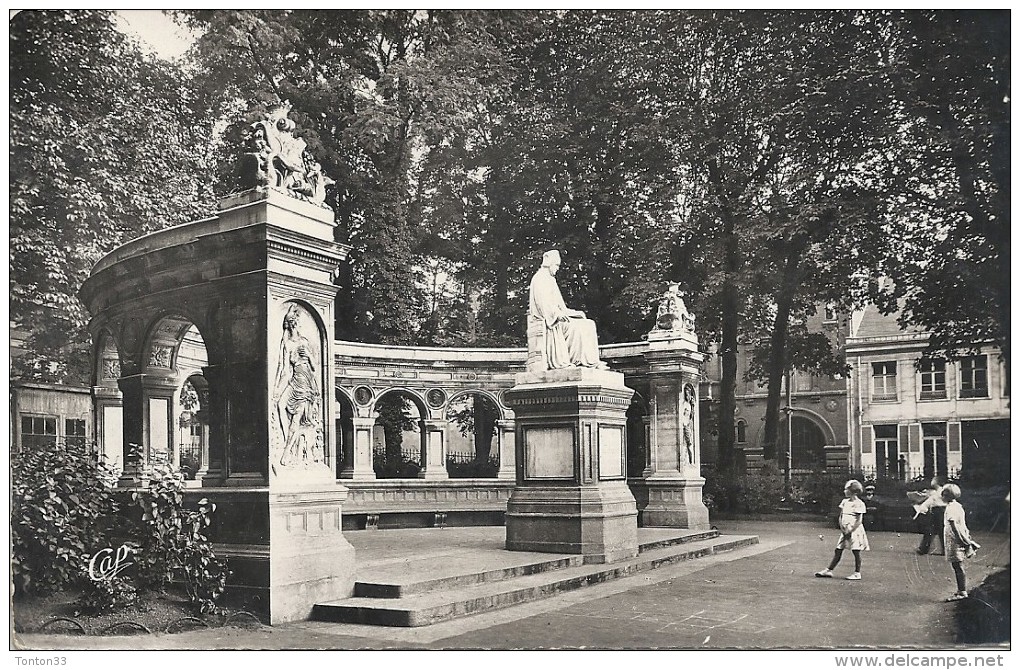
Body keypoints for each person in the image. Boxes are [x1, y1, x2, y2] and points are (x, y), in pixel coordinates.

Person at [528, 250, 608, 370]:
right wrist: (556, 315)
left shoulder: (551, 280)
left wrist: (575, 313)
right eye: (556, 265)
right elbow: (542, 304)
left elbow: (561, 307)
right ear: (549, 264)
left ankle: (590, 362)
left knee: (588, 324)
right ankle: (570, 362)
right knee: (575, 327)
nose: (557, 268)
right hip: (549, 321)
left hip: (557, 317)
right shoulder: (540, 278)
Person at [273, 304, 321, 466]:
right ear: (292, 324)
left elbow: (314, 367)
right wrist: (277, 389)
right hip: (294, 381)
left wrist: (308, 354)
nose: (298, 326)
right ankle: (289, 441)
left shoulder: (305, 342)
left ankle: (287, 453)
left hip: (306, 384)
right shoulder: (287, 344)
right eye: (296, 323)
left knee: (297, 418)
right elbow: (285, 369)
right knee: (280, 405)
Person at [816, 480, 869, 580]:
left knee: (856, 551)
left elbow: (859, 520)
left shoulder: (859, 503)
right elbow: (841, 516)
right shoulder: (844, 502)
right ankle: (829, 570)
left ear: (854, 491)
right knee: (838, 550)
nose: (844, 491)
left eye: (846, 489)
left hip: (854, 530)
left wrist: (851, 530)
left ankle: (857, 573)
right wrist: (843, 528)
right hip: (845, 530)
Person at [941, 483, 980, 601]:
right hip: (957, 538)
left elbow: (954, 526)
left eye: (943, 493)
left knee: (957, 565)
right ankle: (961, 590)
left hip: (954, 540)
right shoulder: (957, 506)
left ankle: (962, 591)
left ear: (945, 495)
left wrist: (960, 540)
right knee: (958, 565)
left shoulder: (951, 508)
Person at [913, 477, 947, 555]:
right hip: (937, 511)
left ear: (936, 483)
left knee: (935, 531)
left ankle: (924, 549)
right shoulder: (936, 492)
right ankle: (924, 549)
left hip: (939, 511)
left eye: (933, 481)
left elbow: (930, 500)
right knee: (933, 531)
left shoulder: (939, 491)